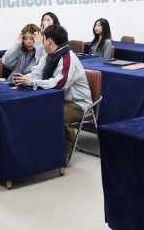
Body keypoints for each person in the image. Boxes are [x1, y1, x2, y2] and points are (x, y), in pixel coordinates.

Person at [13, 24, 91, 153]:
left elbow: (60, 84)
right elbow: (37, 72)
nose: (41, 43)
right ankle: (39, 146)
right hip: (58, 99)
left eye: (43, 40)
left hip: (78, 103)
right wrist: (24, 78)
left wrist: (31, 82)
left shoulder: (68, 58)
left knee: (57, 113)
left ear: (49, 41)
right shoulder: (49, 56)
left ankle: (62, 152)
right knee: (32, 108)